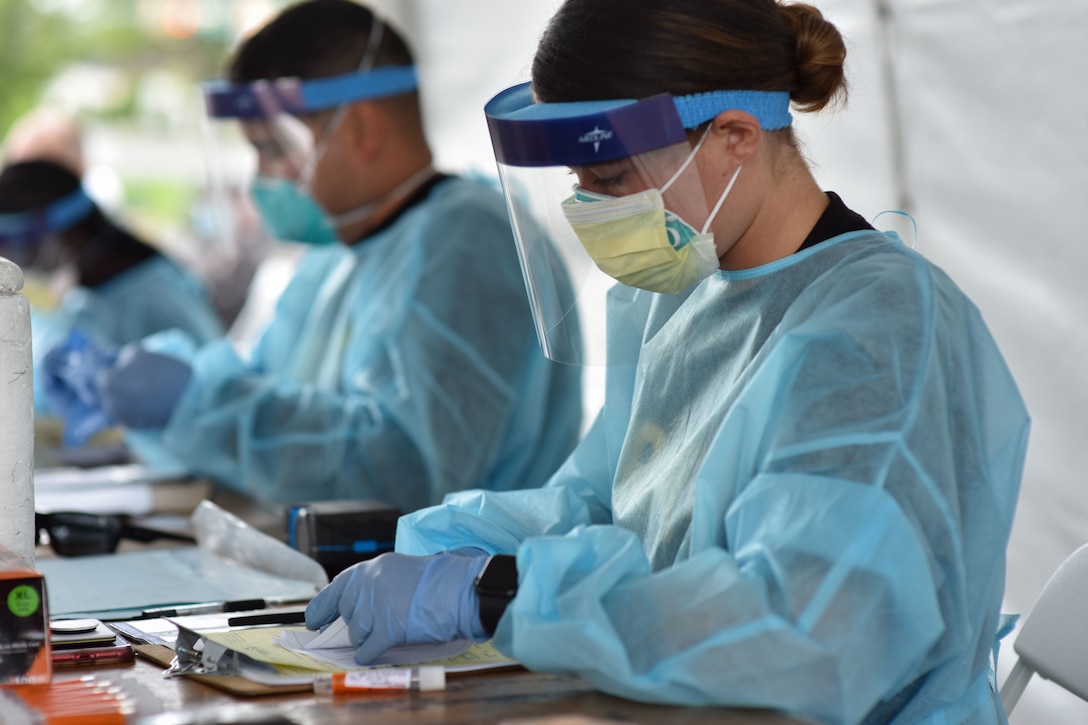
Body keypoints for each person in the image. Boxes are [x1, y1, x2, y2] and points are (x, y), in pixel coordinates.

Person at [302, 1, 1031, 723]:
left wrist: (494, 592)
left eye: (611, 177)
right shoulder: (685, 291)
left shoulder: (879, 329)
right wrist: (444, 548)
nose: (588, 208)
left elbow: (808, 633)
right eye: (576, 181)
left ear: (736, 135)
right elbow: (607, 504)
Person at [42, 0, 583, 509]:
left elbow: (404, 470)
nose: (261, 178)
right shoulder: (334, 255)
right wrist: (161, 400)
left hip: (467, 591)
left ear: (362, 129)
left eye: (274, 149)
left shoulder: (466, 241)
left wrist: (195, 403)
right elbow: (270, 398)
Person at [0, 156, 225, 435]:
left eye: (20, 249)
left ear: (67, 233)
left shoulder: (153, 294)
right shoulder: (89, 295)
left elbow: (212, 398)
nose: (17, 263)